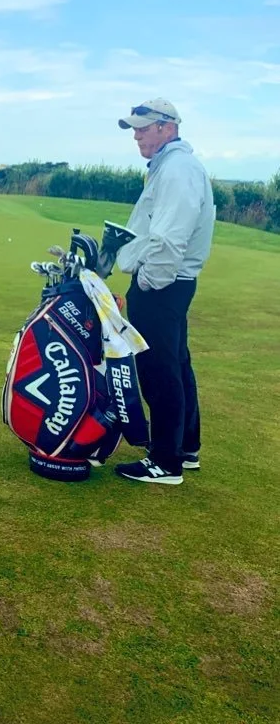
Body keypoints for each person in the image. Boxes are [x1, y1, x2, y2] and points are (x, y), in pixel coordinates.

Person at [112, 99, 215, 485]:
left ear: (167, 128)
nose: (137, 134)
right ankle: (184, 448)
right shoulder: (170, 166)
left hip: (163, 283)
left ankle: (165, 462)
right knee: (176, 364)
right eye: (134, 128)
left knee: (159, 369)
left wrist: (147, 281)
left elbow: (170, 238)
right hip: (169, 283)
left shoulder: (177, 169)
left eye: (143, 127)